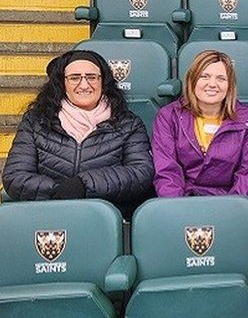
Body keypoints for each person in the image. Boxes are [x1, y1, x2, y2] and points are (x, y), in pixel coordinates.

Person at [2, 50, 153, 217]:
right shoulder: (36, 121)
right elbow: (15, 176)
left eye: (91, 77)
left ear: (103, 82)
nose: (84, 85)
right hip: (47, 215)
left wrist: (84, 184)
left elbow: (140, 173)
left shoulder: (129, 124)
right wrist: (57, 190)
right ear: (62, 83)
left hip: (105, 218)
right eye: (74, 78)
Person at [152, 50, 248, 197]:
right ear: (192, 80)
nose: (212, 84)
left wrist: (231, 207)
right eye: (204, 76)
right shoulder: (168, 116)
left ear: (230, 85)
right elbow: (167, 171)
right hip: (182, 200)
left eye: (221, 79)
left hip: (229, 202)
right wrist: (177, 207)